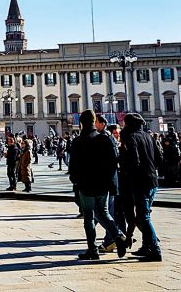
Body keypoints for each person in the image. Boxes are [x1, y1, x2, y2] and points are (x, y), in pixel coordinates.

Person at [68, 111, 127, 261]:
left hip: (86, 185)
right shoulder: (105, 139)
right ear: (94, 122)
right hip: (103, 184)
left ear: (81, 123)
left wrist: (75, 180)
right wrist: (111, 184)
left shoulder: (78, 141)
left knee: (89, 217)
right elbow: (113, 162)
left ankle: (93, 250)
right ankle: (118, 236)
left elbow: (73, 165)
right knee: (105, 213)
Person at [120, 113, 162, 262]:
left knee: (144, 217)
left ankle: (155, 250)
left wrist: (125, 169)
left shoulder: (131, 137)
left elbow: (134, 160)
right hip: (152, 180)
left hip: (140, 182)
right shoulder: (148, 136)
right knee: (144, 215)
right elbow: (159, 157)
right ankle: (146, 246)